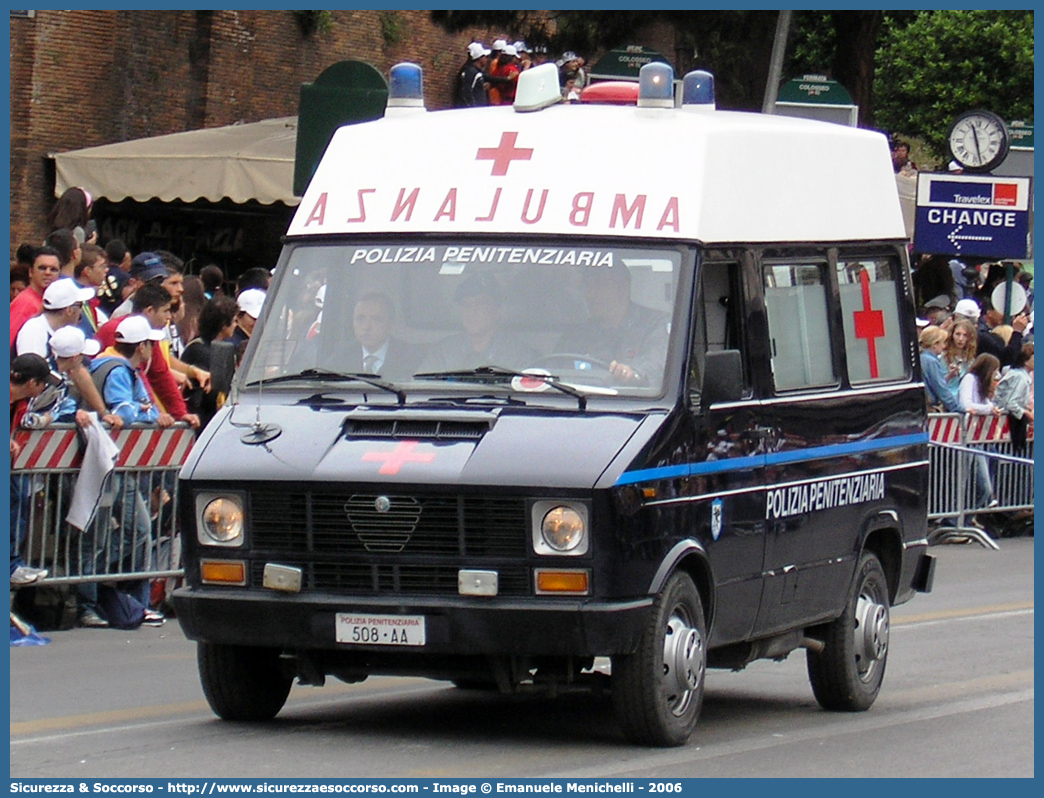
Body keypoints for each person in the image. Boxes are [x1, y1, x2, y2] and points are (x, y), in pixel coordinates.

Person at [85, 316, 170, 627]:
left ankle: (126, 595)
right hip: (110, 463)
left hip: (124, 465)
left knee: (139, 530)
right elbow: (125, 411)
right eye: (151, 343)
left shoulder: (131, 372)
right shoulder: (118, 371)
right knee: (114, 533)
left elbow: (151, 408)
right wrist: (148, 416)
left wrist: (152, 413)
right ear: (142, 346)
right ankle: (88, 579)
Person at [95, 282, 201, 430]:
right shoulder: (116, 331)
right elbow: (129, 399)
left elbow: (160, 376)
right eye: (166, 311)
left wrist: (180, 414)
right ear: (150, 311)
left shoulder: (147, 336)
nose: (169, 317)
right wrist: (155, 415)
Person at [557, 265, 670, 386]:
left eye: (599, 285)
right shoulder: (577, 333)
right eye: (587, 286)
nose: (590, 294)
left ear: (623, 288)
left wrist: (633, 374)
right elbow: (555, 368)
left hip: (634, 402)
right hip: (577, 401)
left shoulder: (655, 324)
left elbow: (657, 365)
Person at [10, 354, 60, 586]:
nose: (43, 388)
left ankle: (12, 563)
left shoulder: (19, 403)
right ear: (32, 383)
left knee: (17, 499)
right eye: (42, 383)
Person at [418, 274, 535, 373]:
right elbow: (422, 388)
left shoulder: (521, 357)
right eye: (466, 305)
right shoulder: (442, 353)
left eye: (480, 304)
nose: (472, 311)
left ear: (498, 310)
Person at [182, 295, 238, 429]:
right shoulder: (199, 350)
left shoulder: (220, 348)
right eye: (234, 321)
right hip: (201, 421)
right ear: (224, 324)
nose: (236, 325)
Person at [958, 352, 1002, 512]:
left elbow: (985, 403)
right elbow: (966, 404)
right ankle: (958, 519)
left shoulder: (982, 386)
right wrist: (989, 409)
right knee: (981, 486)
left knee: (992, 462)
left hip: (979, 438)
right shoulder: (970, 379)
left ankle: (969, 516)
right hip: (968, 439)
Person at [14, 277, 95, 358]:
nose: (81, 311)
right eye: (80, 305)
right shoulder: (33, 332)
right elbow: (30, 369)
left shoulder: (64, 332)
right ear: (69, 310)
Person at [346, 292, 420, 378]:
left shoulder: (412, 359)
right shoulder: (340, 359)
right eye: (360, 319)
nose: (366, 327)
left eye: (376, 320)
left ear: (391, 325)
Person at [10, 246, 61, 349]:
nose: (48, 273)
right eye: (42, 268)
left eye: (53, 270)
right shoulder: (25, 303)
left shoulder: (45, 302)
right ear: (31, 272)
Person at [994, 343, 1034, 452]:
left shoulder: (1022, 375)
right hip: (1005, 423)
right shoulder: (1020, 377)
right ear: (1026, 360)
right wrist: (1026, 413)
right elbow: (1011, 403)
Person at [919, 326, 961, 412]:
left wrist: (948, 377)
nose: (944, 346)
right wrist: (958, 409)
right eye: (943, 343)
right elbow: (941, 390)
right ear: (935, 344)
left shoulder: (921, 358)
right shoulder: (931, 362)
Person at [72, 243, 110, 336]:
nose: (106, 270)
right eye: (102, 266)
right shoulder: (76, 302)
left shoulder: (88, 300)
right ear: (87, 271)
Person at [943, 318, 977, 394]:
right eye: (957, 334)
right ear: (952, 335)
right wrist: (950, 375)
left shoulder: (971, 359)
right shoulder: (943, 357)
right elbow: (937, 384)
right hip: (947, 397)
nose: (960, 339)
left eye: (965, 335)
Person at [229, 287, 266, 354]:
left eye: (262, 318)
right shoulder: (232, 345)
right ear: (239, 316)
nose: (258, 323)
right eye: (254, 318)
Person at [458, 42, 490, 107]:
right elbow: (467, 91)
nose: (487, 59)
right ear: (480, 58)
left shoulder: (475, 71)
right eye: (485, 57)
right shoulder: (471, 72)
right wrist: (472, 108)